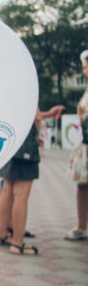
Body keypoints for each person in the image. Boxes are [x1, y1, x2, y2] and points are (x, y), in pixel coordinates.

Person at [0, 105, 64, 255]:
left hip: (8, 141)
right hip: (24, 144)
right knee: (21, 194)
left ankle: (0, 234)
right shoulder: (27, 85)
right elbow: (35, 116)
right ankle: (17, 243)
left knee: (6, 189)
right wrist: (40, 126)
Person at [67, 49, 88, 240]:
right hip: (85, 144)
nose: (84, 71)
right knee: (82, 186)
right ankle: (82, 225)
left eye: (85, 66)